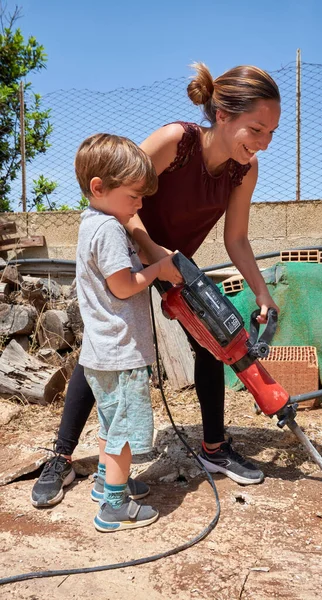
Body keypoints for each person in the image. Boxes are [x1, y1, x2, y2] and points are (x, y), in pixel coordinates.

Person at [31, 62, 281, 509]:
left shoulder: (245, 170)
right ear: (223, 114)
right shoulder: (176, 142)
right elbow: (120, 193)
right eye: (256, 129)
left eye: (270, 134)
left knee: (213, 343)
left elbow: (236, 238)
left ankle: (214, 447)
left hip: (174, 266)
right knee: (105, 350)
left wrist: (261, 290)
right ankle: (61, 456)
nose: (262, 144)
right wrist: (150, 252)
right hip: (125, 254)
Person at [68, 133, 180, 532]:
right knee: (127, 430)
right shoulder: (111, 231)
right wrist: (157, 271)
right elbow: (123, 285)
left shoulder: (90, 224)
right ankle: (114, 506)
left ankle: (105, 482)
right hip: (121, 353)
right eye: (134, 195)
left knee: (110, 422)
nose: (140, 204)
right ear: (99, 188)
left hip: (102, 353)